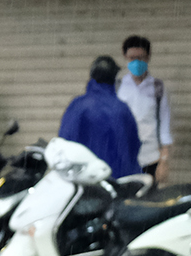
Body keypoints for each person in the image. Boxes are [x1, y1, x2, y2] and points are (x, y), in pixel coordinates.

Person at [58, 55, 142, 179]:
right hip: (117, 181)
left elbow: (64, 142)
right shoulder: (122, 109)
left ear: (92, 76)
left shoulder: (77, 105)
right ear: (114, 78)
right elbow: (134, 146)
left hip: (83, 180)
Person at [114, 35, 173, 183]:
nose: (136, 62)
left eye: (141, 58)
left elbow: (165, 124)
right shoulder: (118, 87)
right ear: (125, 57)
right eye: (132, 58)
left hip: (150, 157)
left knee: (149, 201)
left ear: (148, 57)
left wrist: (164, 161)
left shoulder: (157, 87)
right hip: (124, 158)